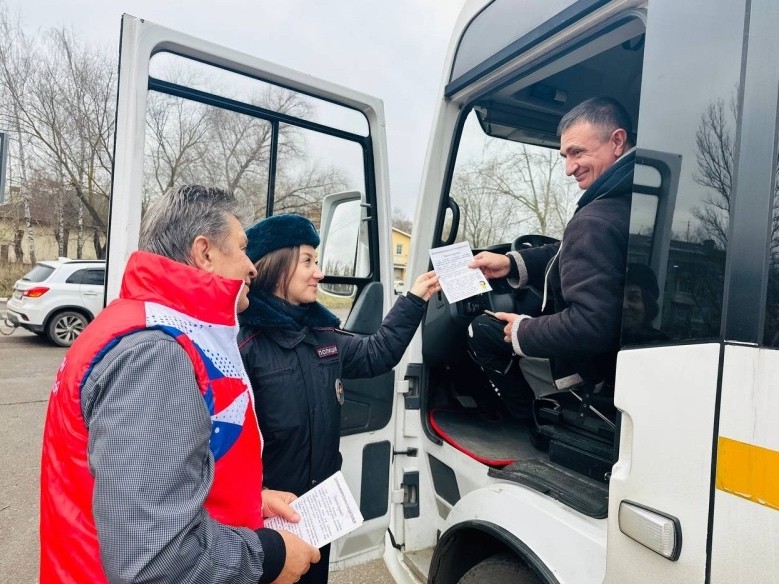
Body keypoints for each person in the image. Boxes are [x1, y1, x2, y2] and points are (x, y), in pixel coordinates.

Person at [39, 185, 320, 584]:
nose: (251, 266)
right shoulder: (155, 355)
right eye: (241, 248)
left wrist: (248, 502)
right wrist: (270, 556)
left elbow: (148, 480)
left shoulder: (146, 326)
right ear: (204, 253)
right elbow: (154, 557)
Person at [238, 213, 440, 584]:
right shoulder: (244, 348)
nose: (319, 272)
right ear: (275, 266)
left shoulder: (325, 336)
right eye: (308, 261)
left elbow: (378, 352)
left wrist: (414, 297)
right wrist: (258, 496)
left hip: (319, 510)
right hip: (268, 515)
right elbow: (222, 446)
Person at [466, 96, 636, 412]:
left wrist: (521, 330)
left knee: (483, 330)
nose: (569, 168)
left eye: (578, 153)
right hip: (619, 362)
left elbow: (589, 325)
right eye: (564, 156)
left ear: (617, 141)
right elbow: (572, 252)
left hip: (587, 372)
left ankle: (525, 418)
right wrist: (510, 263)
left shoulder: (595, 219)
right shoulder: (634, 201)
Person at [622, 262, 668, 344]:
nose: (624, 305)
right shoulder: (599, 339)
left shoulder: (662, 345)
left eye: (634, 297)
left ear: (648, 304)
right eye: (618, 297)